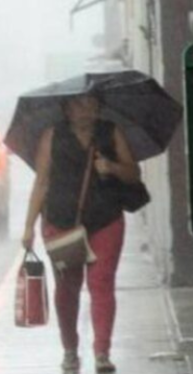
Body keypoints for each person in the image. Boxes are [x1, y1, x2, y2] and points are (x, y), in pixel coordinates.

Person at [21, 94, 140, 373]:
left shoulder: (110, 133)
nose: (85, 110)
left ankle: (102, 352)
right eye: (78, 105)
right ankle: (70, 350)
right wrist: (28, 226)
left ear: (99, 107)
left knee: (101, 283)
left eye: (91, 104)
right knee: (67, 288)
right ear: (66, 109)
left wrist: (111, 167)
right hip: (61, 223)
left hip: (105, 220)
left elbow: (133, 173)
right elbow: (41, 183)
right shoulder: (53, 136)